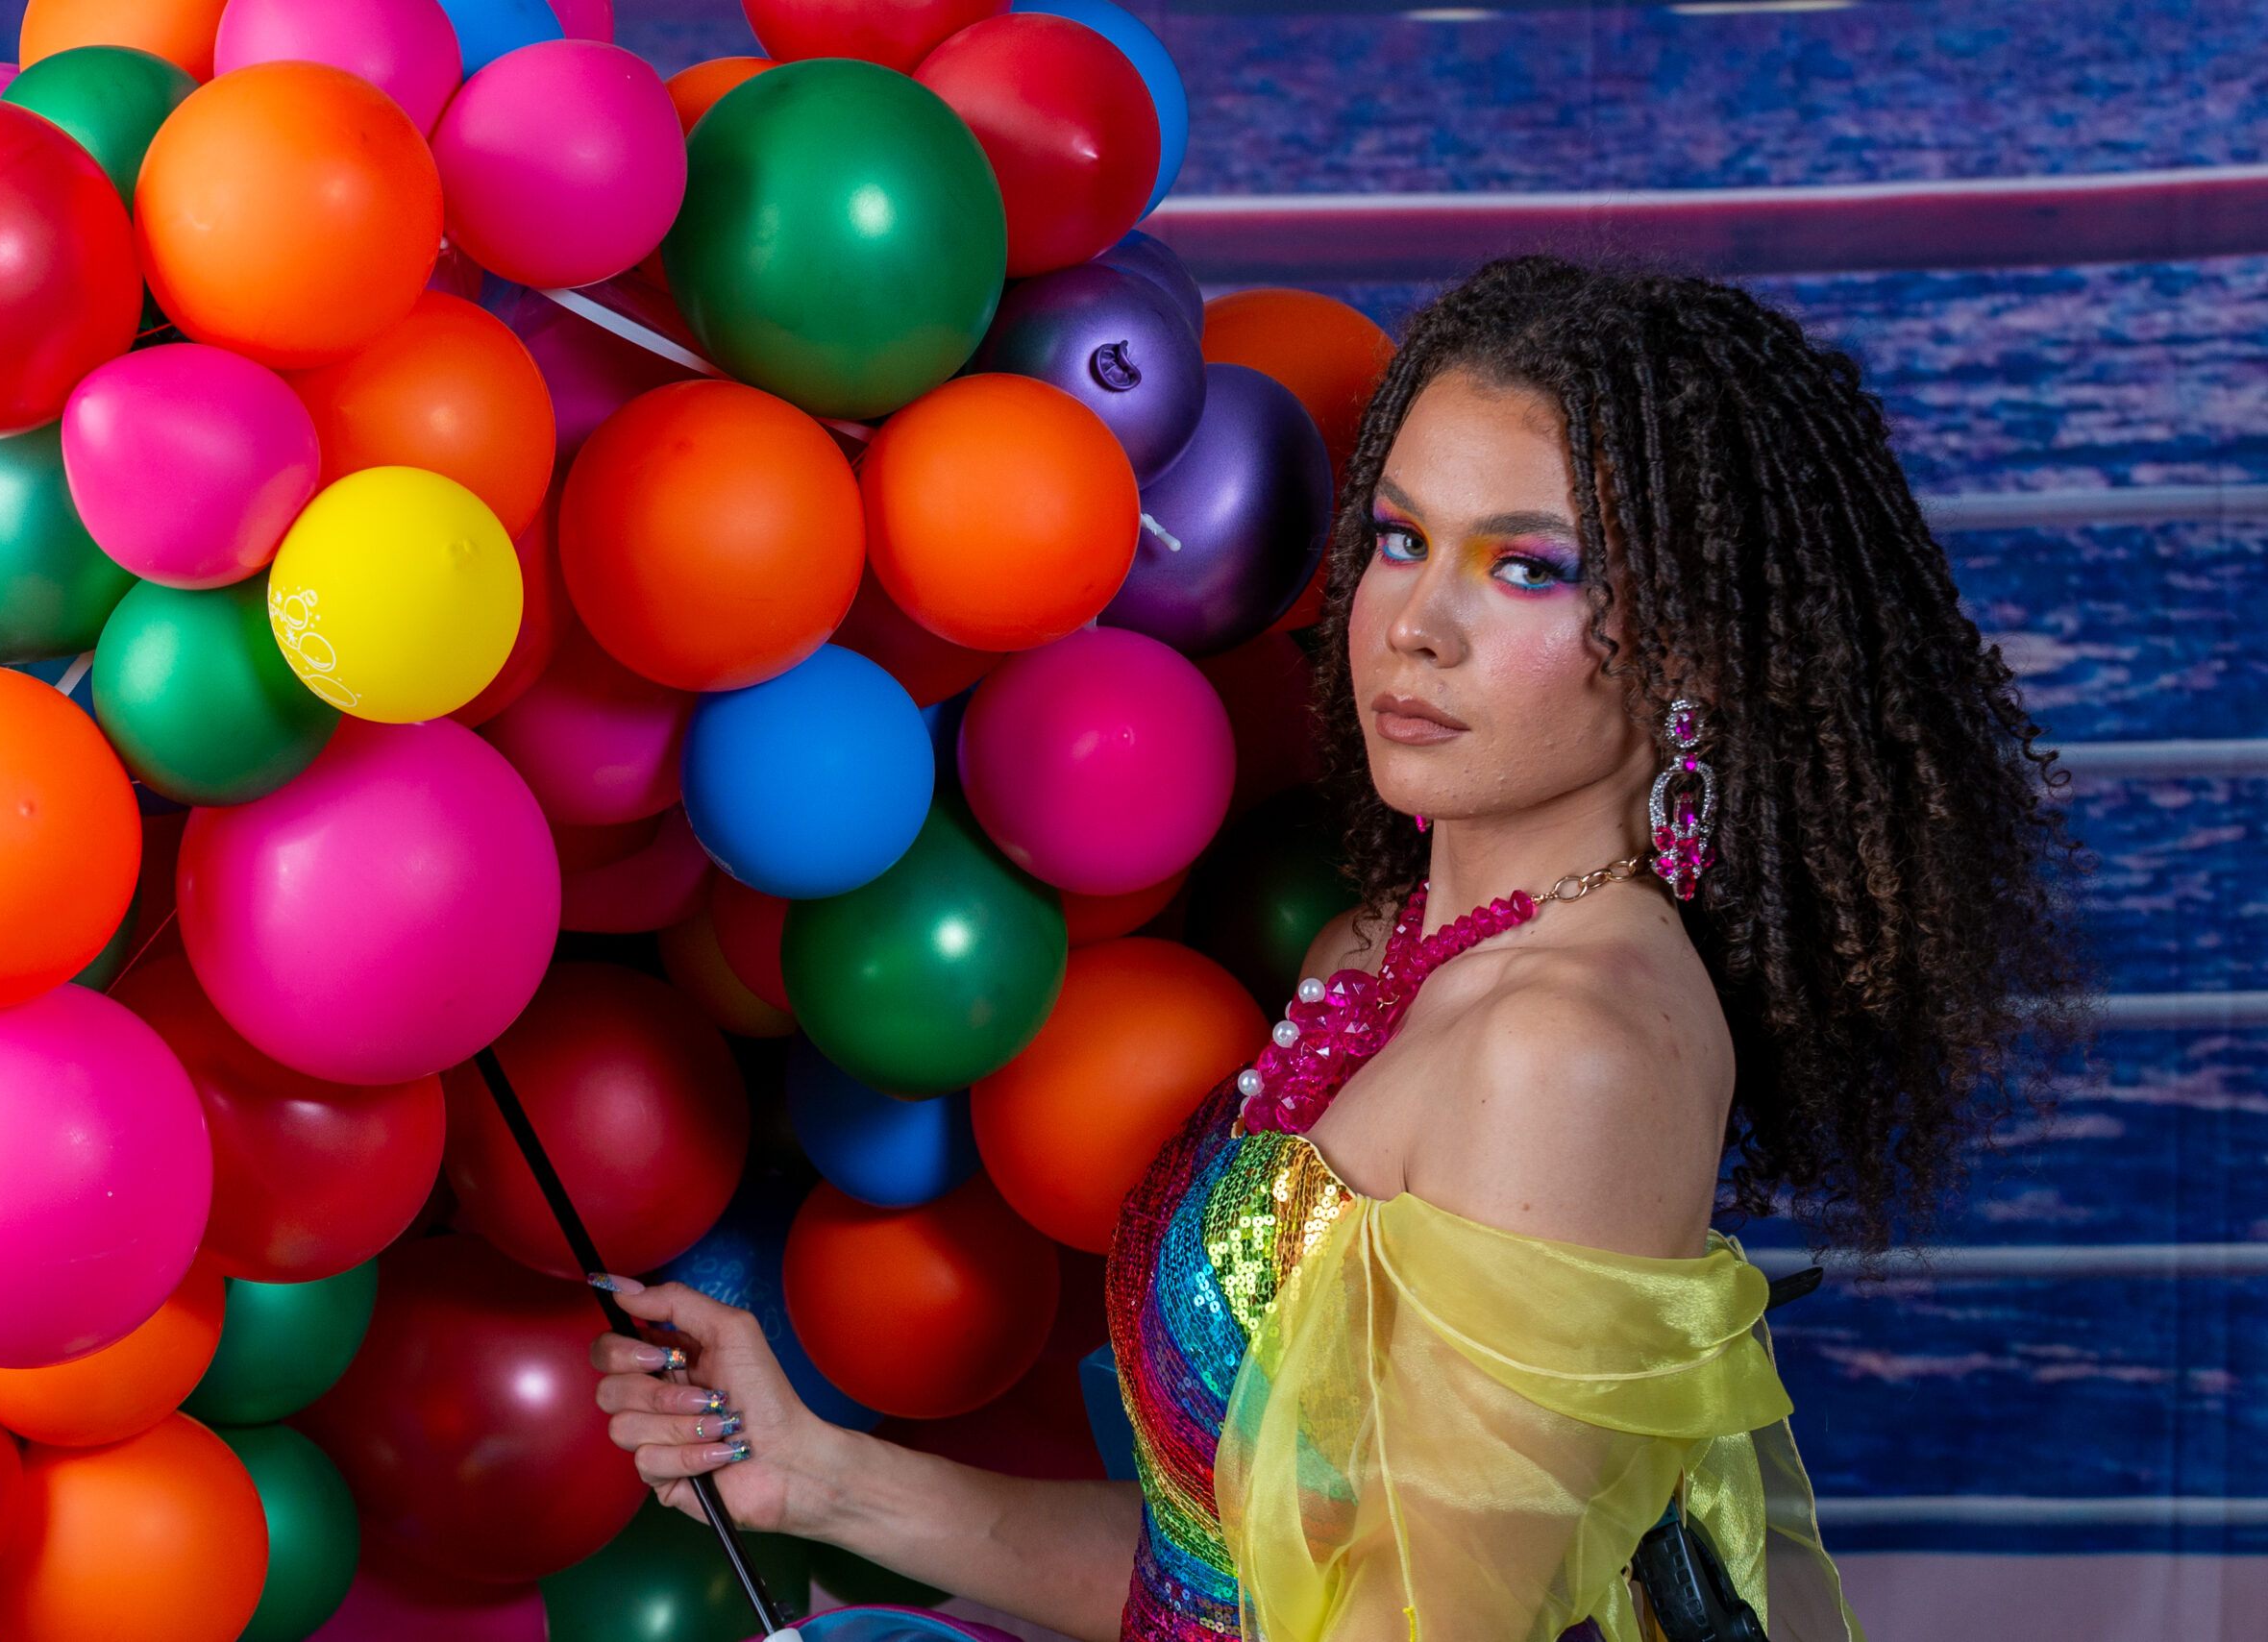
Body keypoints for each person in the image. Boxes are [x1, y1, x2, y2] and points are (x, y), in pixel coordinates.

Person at [586, 257, 2083, 1642]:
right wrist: (821, 1477)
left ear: (1695, 645)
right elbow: (1228, 1570)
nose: (1415, 624)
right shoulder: (1377, 949)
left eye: (1528, 567)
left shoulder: (1570, 1048)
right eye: (1400, 539)